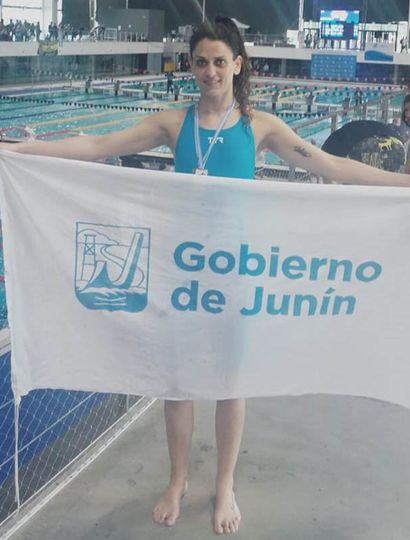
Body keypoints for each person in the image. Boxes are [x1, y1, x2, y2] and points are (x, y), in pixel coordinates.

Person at [2, 16, 410, 536]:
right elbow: (94, 147)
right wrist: (15, 153)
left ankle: (224, 484)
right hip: (181, 274)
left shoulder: (259, 127)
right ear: (191, 67)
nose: (210, 71)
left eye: (220, 61)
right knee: (176, 384)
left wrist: (402, 185)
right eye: (201, 62)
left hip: (232, 277)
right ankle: (177, 480)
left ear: (238, 65)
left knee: (228, 384)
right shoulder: (175, 123)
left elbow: (332, 167)